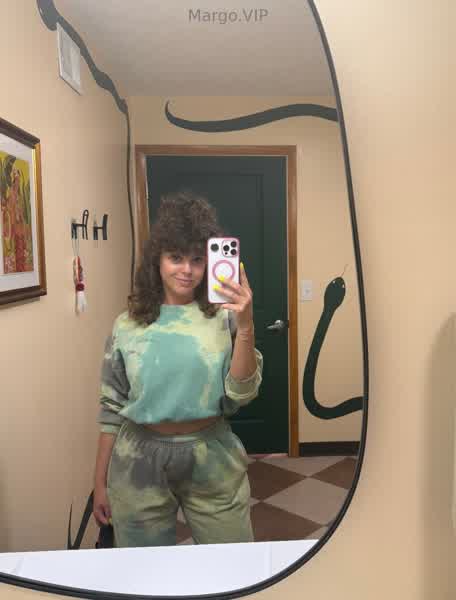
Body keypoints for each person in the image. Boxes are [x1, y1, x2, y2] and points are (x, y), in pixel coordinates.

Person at [92, 190, 263, 547]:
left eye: (197, 260)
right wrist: (99, 483)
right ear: (157, 260)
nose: (187, 270)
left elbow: (243, 392)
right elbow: (111, 409)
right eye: (175, 257)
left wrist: (246, 325)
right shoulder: (127, 325)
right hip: (138, 460)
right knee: (144, 570)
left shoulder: (225, 317)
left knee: (232, 563)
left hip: (212, 455)